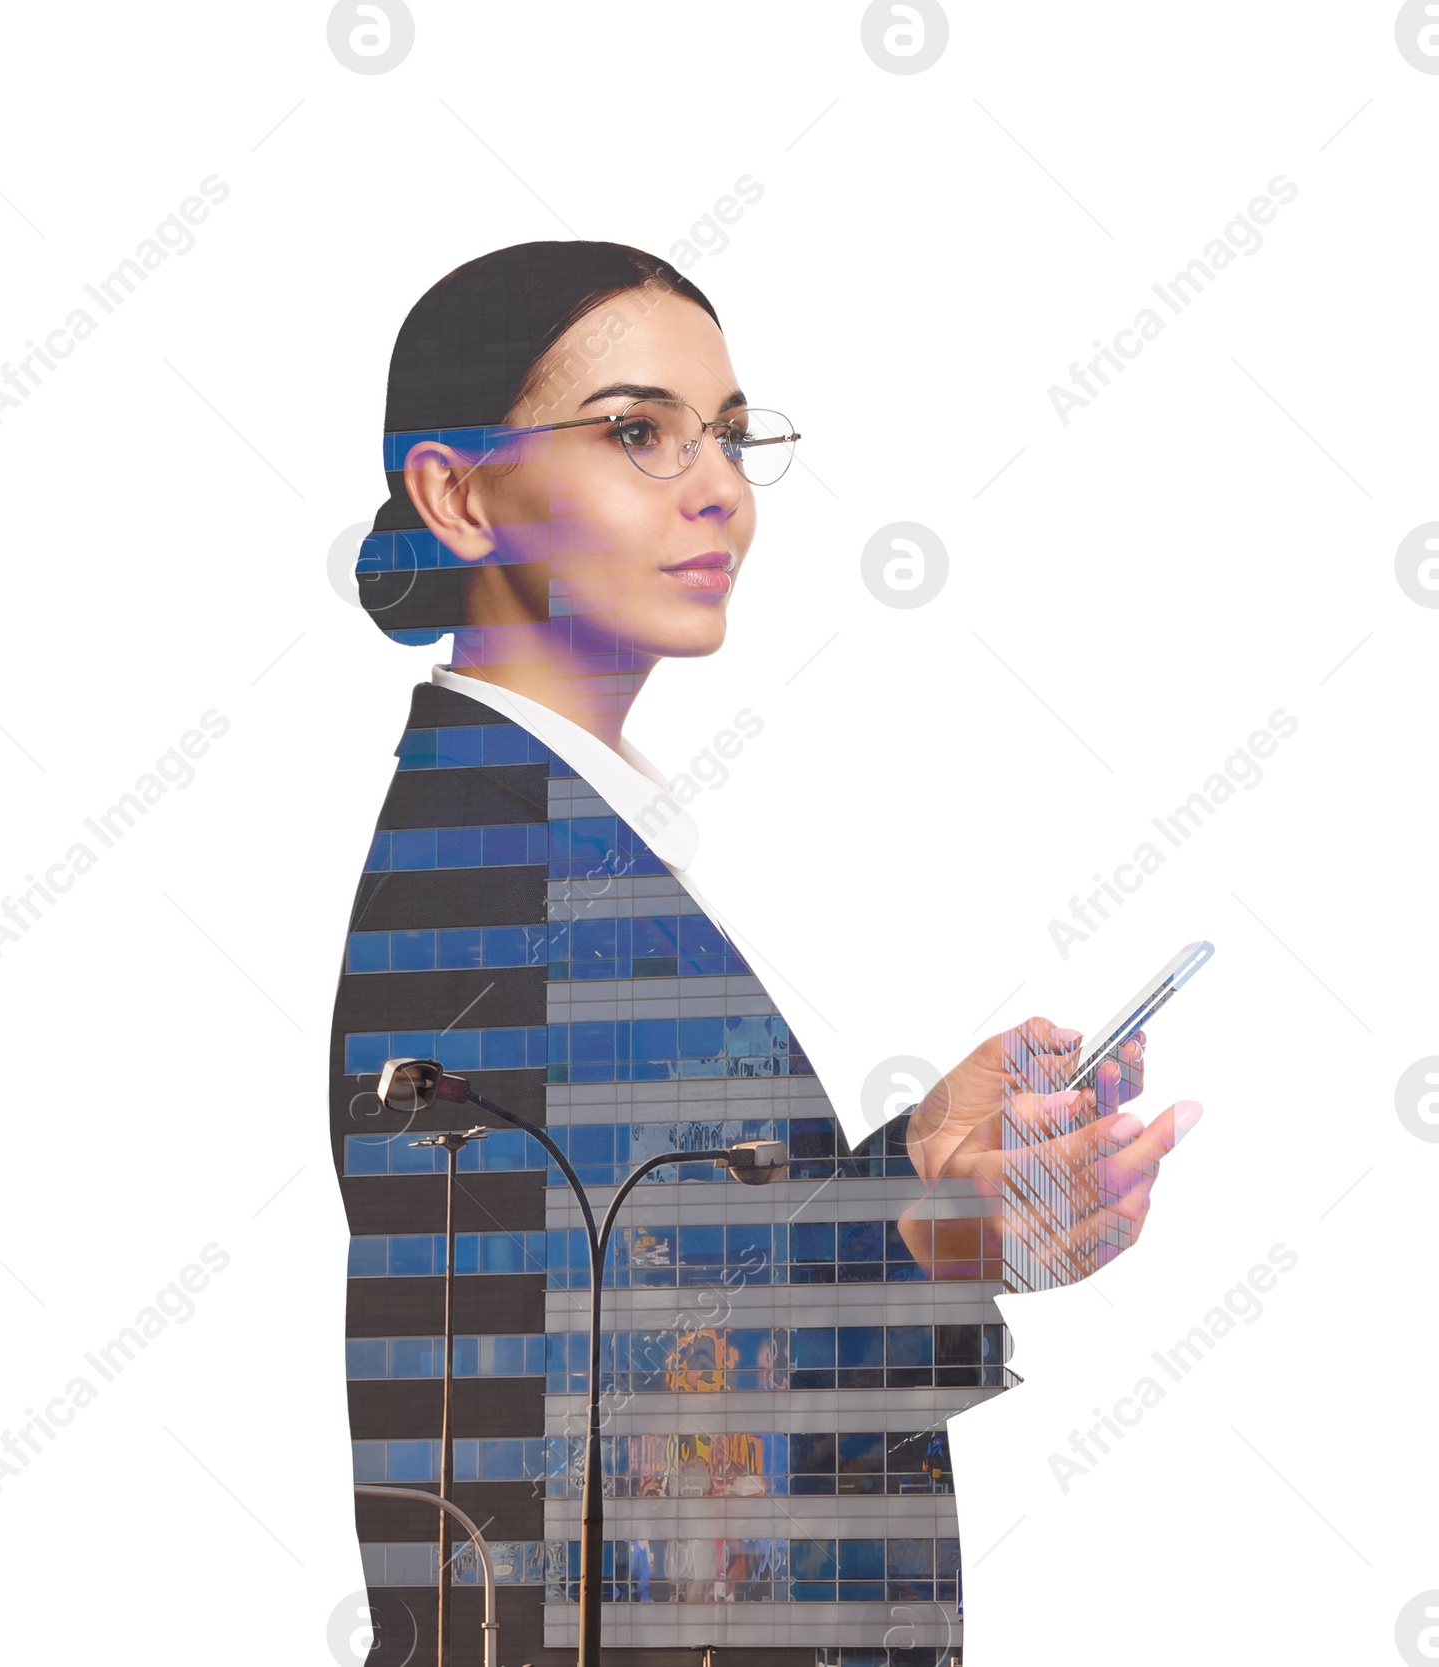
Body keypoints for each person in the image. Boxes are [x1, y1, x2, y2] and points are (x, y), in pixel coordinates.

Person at [328, 240, 1202, 1660]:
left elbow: (659, 1268)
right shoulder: (487, 874)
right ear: (460, 493)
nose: (717, 484)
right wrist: (938, 1233)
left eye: (729, 434)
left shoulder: (570, 833)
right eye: (636, 431)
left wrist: (916, 1160)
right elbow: (602, 1433)